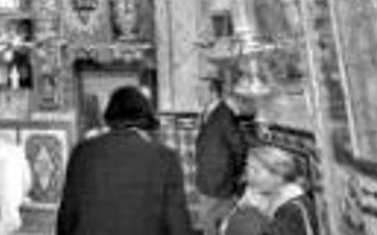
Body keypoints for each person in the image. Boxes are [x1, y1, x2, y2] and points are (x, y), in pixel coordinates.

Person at [57, 86, 192, 235]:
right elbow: (178, 224)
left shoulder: (81, 153)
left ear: (109, 117)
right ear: (146, 119)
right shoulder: (166, 158)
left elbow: (66, 217)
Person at [195, 76, 248, 235]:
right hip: (210, 178)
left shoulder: (224, 114)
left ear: (213, 93)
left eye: (201, 91)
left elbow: (239, 147)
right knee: (214, 222)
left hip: (219, 180)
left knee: (209, 222)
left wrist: (234, 174)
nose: (197, 94)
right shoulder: (209, 112)